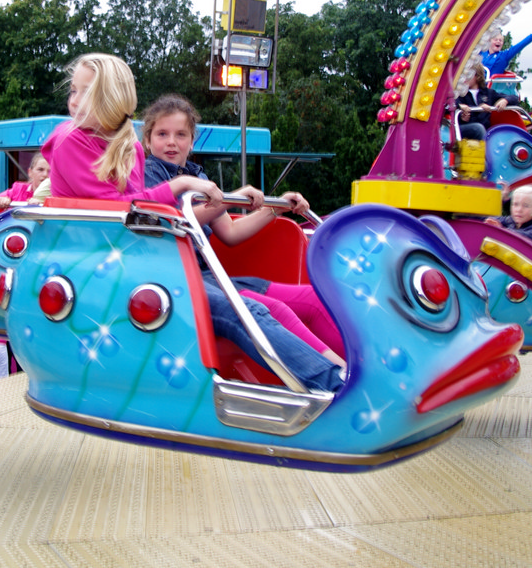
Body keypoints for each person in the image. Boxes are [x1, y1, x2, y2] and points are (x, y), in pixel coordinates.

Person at [41, 54, 344, 394]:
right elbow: (125, 213)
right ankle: (335, 384)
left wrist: (269, 209)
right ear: (150, 137)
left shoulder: (132, 149)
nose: (74, 101)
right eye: (74, 91)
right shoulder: (73, 142)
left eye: (85, 92)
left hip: (159, 266)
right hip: (122, 270)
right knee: (251, 312)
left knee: (302, 301)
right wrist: (188, 189)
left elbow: (217, 229)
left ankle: (351, 370)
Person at [140, 94, 345, 365]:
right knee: (274, 310)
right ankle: (337, 373)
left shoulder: (198, 177)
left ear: (191, 142)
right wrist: (230, 198)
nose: (171, 142)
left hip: (208, 274)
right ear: (147, 140)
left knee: (313, 299)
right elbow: (174, 220)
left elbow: (230, 232)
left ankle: (364, 366)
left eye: (180, 134)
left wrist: (275, 208)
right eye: (162, 134)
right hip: (175, 276)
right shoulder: (148, 174)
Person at [455, 69, 508, 141]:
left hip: (485, 129)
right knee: (478, 128)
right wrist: (461, 107)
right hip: (462, 129)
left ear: (477, 76)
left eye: (468, 74)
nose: (465, 78)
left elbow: (514, 98)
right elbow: (449, 103)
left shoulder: (488, 93)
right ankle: (486, 147)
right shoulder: (458, 93)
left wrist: (504, 100)